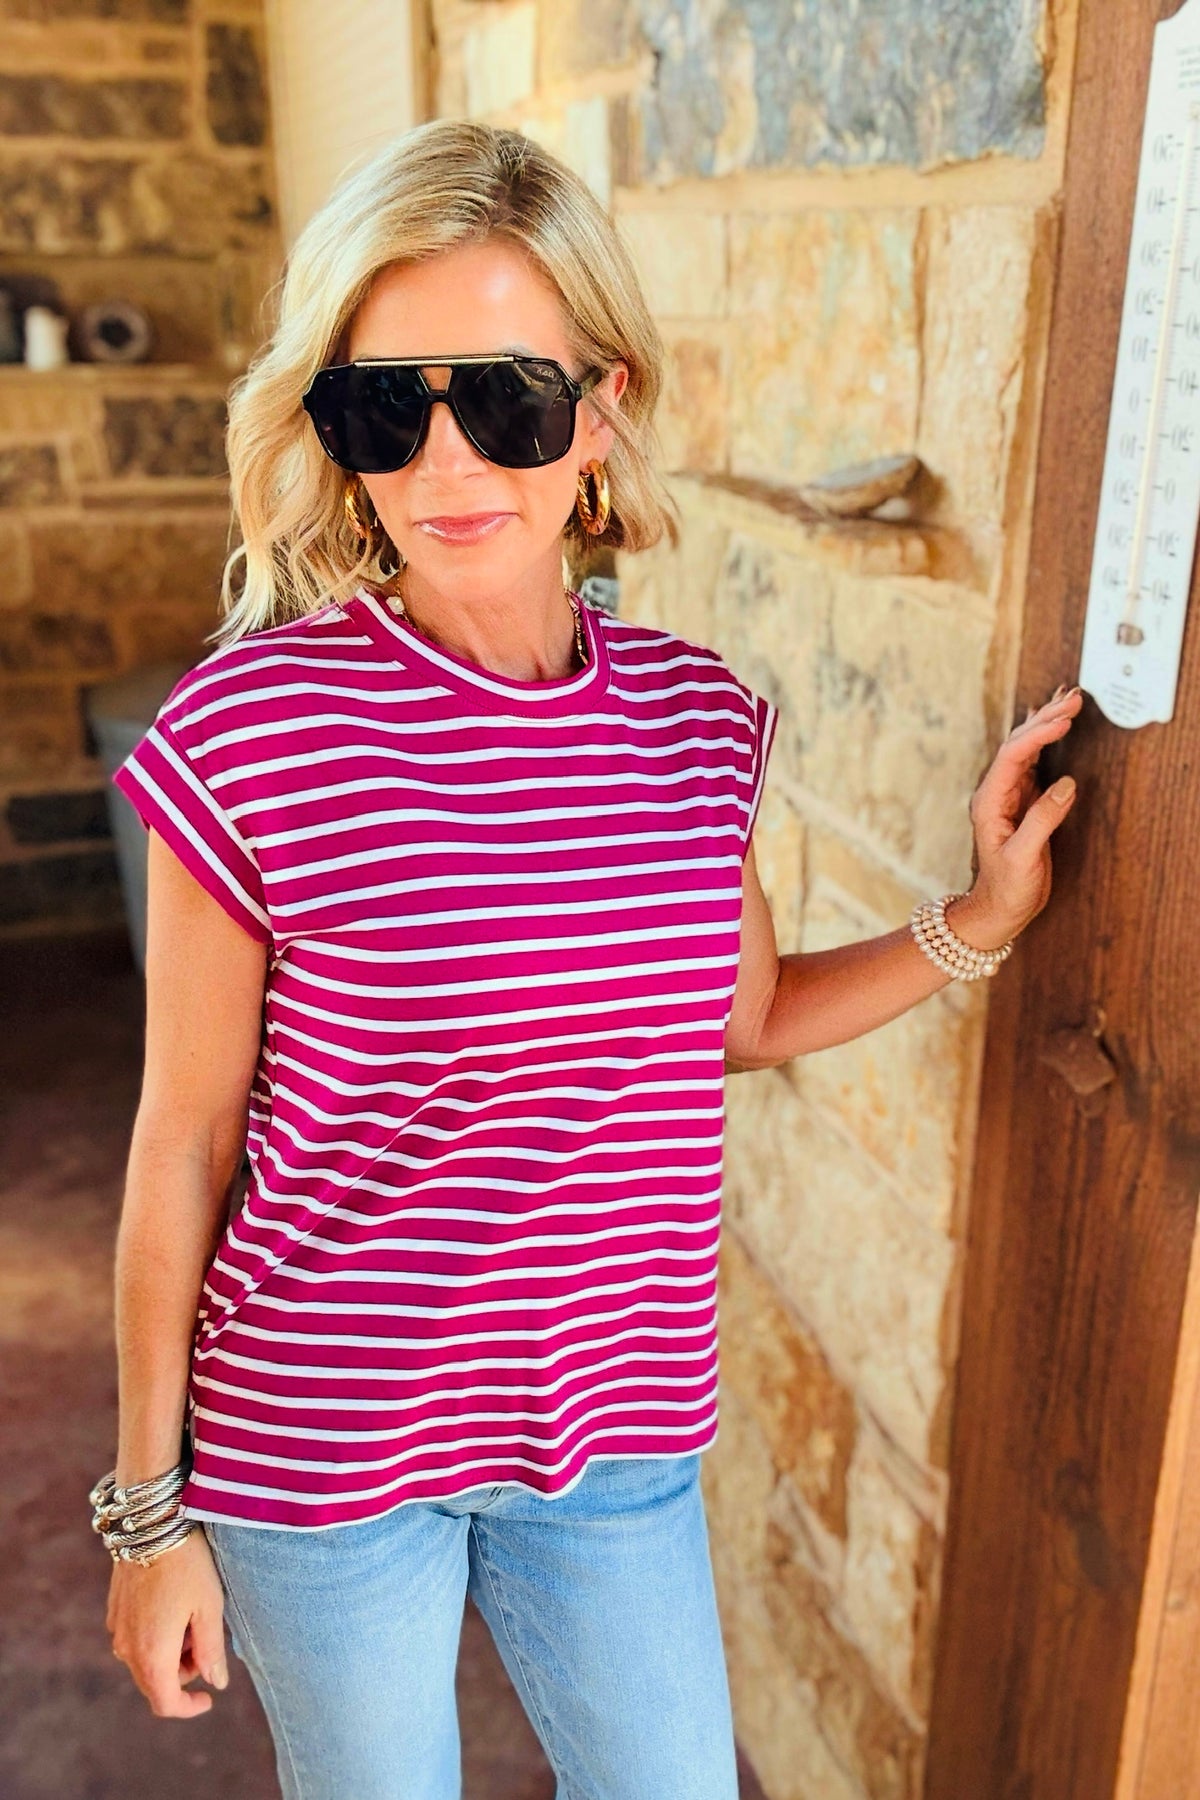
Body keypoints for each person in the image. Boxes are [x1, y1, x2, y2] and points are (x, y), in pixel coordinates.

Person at [96, 119, 1082, 1799]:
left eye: (506, 401)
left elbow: (743, 1017)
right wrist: (147, 1514)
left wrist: (973, 921)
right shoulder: (254, 730)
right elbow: (182, 1141)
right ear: (332, 430)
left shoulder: (698, 722)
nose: (447, 465)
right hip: (324, 1448)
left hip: (612, 1441)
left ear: (603, 407)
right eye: (384, 409)